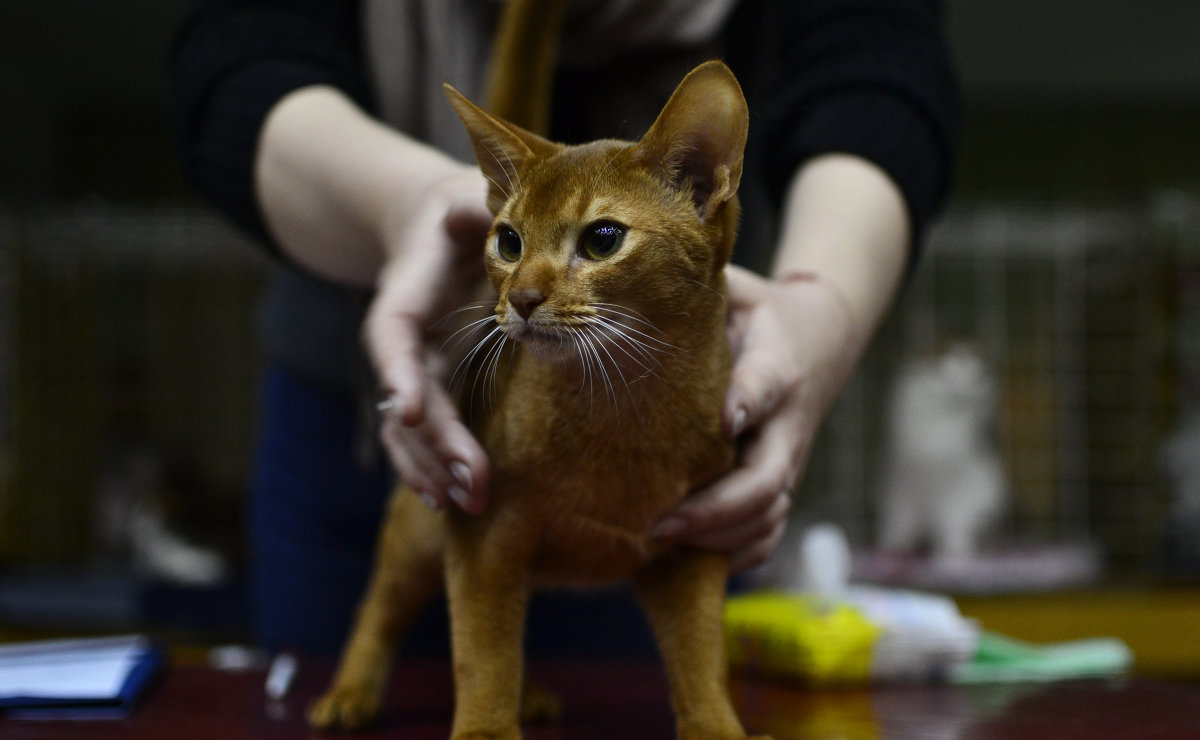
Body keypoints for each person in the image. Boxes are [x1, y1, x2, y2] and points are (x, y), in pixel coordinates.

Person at [169, 0, 959, 655]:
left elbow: (873, 69)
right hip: (379, 422)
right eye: (508, 244)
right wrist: (401, 206)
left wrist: (823, 307)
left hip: (676, 441)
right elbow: (239, 59)